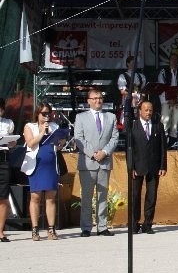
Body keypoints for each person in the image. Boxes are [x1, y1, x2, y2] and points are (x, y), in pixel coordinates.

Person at [74, 88, 120, 237]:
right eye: (94, 98)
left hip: (105, 161)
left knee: (103, 195)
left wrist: (104, 152)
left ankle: (102, 226)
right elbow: (79, 139)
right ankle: (86, 227)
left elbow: (114, 138)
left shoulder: (111, 117)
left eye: (100, 98)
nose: (98, 101)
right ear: (88, 101)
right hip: (88, 162)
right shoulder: (81, 117)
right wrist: (93, 154)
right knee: (87, 196)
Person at [22, 103, 63, 241]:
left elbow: (57, 146)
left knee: (51, 197)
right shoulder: (29, 126)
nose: (46, 116)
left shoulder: (54, 127)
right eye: (43, 113)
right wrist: (42, 133)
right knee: (35, 197)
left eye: (48, 113)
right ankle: (35, 229)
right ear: (37, 114)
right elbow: (31, 143)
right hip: (36, 165)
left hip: (50, 165)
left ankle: (51, 229)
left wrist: (60, 142)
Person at [129, 101, 167, 234]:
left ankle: (148, 224)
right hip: (137, 166)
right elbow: (130, 148)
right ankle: (134, 224)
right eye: (145, 110)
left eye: (150, 110)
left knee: (151, 196)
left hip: (154, 166)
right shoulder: (133, 126)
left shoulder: (158, 126)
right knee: (135, 195)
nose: (148, 113)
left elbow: (163, 147)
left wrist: (163, 165)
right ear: (140, 111)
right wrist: (131, 167)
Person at [157, 53, 178, 143]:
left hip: (177, 102)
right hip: (167, 102)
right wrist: (169, 99)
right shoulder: (163, 72)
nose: (174, 61)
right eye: (172, 59)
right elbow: (161, 87)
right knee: (165, 123)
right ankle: (163, 145)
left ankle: (172, 145)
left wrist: (177, 100)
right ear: (169, 61)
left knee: (176, 124)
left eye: (175, 59)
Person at [0, 98, 14, 242]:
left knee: (3, 197)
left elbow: (12, 143)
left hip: (3, 157)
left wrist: (12, 142)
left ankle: (0, 231)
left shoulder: (8, 123)